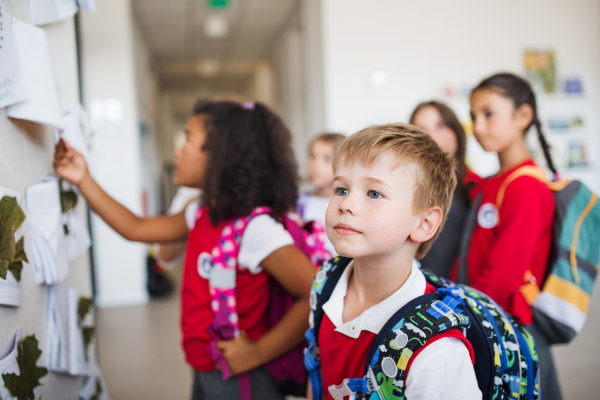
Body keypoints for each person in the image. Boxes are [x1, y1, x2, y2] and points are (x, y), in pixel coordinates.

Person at [54, 100, 315, 400]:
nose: (178, 151)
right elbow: (135, 228)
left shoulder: (255, 229)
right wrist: (83, 179)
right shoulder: (200, 212)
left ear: (222, 157)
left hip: (242, 374)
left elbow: (311, 293)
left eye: (188, 140)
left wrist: (255, 353)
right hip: (204, 365)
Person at [310, 123, 481, 399]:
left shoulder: (437, 351)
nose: (345, 204)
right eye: (341, 189)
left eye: (374, 193)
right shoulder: (326, 282)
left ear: (425, 223)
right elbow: (317, 373)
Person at [458, 72, 560, 399]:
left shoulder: (527, 186)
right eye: (473, 116)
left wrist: (462, 320)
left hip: (510, 328)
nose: (478, 126)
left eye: (489, 114)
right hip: (488, 319)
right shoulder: (494, 182)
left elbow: (504, 275)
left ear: (523, 116)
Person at [410, 101, 481, 277]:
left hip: (461, 293)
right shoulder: (404, 187)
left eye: (441, 126)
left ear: (456, 130)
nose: (432, 135)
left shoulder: (478, 186)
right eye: (422, 128)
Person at [297, 133, 346, 256]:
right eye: (312, 157)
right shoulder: (299, 202)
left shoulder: (346, 204)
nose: (316, 165)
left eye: (326, 159)